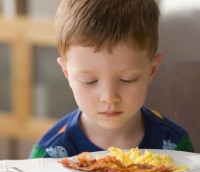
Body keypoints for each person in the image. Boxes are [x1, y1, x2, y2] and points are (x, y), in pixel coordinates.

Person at [30, 0, 193, 158]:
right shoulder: (49, 156)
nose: (109, 97)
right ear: (67, 73)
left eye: (127, 79)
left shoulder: (177, 147)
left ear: (152, 70)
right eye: (89, 81)